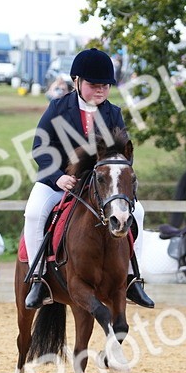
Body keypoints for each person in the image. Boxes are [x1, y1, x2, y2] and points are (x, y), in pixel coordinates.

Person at [23, 47, 154, 309]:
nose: (101, 91)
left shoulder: (112, 113)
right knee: (34, 213)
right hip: (60, 182)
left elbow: (122, 154)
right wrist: (58, 177)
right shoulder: (58, 109)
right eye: (94, 85)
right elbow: (40, 148)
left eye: (106, 85)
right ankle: (38, 279)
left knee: (136, 211)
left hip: (100, 187)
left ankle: (132, 278)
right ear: (77, 81)